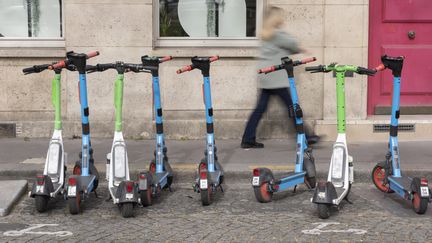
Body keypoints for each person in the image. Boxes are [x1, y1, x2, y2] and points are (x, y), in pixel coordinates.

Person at [241, 6, 320, 149]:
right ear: (276, 19)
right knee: (292, 107)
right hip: (276, 78)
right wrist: (303, 49)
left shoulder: (266, 33)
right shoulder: (277, 34)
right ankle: (307, 136)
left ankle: (248, 138)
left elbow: (287, 47)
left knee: (260, 109)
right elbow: (292, 44)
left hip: (267, 77)